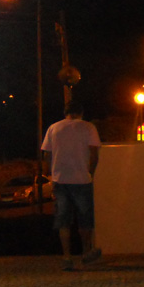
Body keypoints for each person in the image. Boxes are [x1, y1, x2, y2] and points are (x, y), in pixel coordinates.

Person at [41, 100, 101, 270]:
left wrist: (52, 172)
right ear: (81, 113)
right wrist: (91, 172)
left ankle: (66, 257)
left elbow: (47, 154)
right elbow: (94, 153)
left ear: (65, 112)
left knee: (63, 219)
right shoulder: (88, 127)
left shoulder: (53, 128)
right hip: (82, 179)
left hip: (60, 179)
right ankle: (86, 252)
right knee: (85, 218)